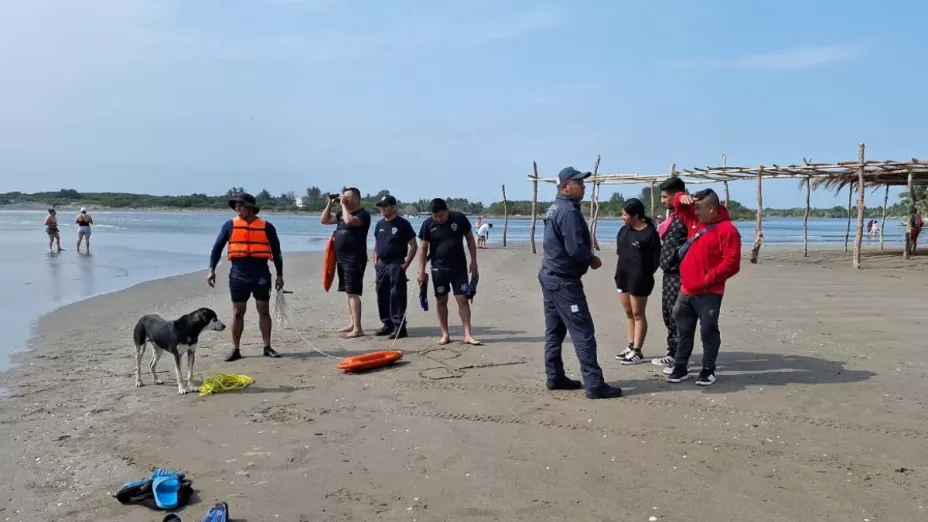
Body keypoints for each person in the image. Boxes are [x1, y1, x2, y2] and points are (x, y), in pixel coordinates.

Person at [538, 167, 622, 400]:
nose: (583, 186)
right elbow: (574, 248)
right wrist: (591, 258)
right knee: (582, 331)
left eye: (583, 183)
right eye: (579, 183)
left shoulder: (557, 207)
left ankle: (555, 376)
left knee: (554, 330)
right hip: (563, 281)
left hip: (551, 276)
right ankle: (594, 383)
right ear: (565, 187)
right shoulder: (567, 211)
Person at [666, 188, 741, 386]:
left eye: (698, 208)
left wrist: (708, 279)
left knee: (708, 331)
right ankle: (680, 367)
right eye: (694, 207)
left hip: (709, 292)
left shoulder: (728, 230)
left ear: (711, 208)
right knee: (683, 331)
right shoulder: (694, 222)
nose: (695, 211)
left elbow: (731, 263)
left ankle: (708, 369)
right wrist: (681, 197)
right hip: (686, 290)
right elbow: (677, 206)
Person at [208, 193, 284, 361]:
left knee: (263, 310)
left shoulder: (267, 227)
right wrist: (211, 269)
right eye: (235, 205)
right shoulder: (229, 226)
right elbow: (217, 248)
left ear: (250, 207)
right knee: (238, 312)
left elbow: (277, 253)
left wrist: (280, 275)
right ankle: (235, 349)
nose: (237, 208)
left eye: (240, 205)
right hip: (238, 276)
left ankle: (267, 347)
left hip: (261, 274)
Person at [416, 198, 481, 346]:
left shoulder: (459, 218)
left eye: (441, 216)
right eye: (435, 217)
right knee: (441, 300)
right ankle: (445, 334)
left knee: (463, 299)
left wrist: (474, 261)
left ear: (447, 211)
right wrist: (421, 271)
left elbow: (470, 239)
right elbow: (423, 249)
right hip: (438, 268)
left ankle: (467, 334)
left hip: (459, 267)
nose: (439, 219)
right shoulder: (427, 224)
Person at [613, 198, 661, 365]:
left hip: (640, 279)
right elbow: (621, 252)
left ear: (636, 215)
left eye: (625, 214)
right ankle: (630, 345)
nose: (623, 217)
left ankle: (637, 351)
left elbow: (656, 260)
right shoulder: (624, 230)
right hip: (623, 276)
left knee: (638, 314)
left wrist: (644, 275)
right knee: (628, 313)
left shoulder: (650, 233)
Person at [320, 187, 372, 338]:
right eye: (344, 197)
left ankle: (358, 328)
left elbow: (349, 222)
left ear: (357, 199)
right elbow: (324, 220)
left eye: (348, 198)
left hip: (354, 259)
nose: (345, 200)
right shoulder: (342, 213)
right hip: (341, 258)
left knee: (353, 293)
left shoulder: (363, 215)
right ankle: (352, 323)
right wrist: (330, 203)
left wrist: (342, 204)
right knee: (348, 292)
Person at [649, 177, 688, 368]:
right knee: (668, 313)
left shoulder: (686, 213)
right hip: (669, 273)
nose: (662, 200)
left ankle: (678, 356)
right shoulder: (672, 215)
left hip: (680, 273)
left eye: (665, 196)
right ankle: (672, 351)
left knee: (677, 315)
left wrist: (681, 197)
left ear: (677, 195)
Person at [372, 194, 418, 338]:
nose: (382, 209)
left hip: (396, 264)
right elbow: (376, 244)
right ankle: (387, 324)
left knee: (397, 295)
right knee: (382, 294)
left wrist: (405, 265)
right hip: (382, 265)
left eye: (385, 206)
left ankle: (399, 327)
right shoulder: (379, 224)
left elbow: (413, 246)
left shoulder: (403, 224)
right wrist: (375, 262)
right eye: (381, 206)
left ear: (393, 207)